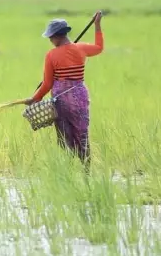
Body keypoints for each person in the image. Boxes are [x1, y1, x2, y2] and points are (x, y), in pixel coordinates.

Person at [23, 11, 104, 173]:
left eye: (51, 37)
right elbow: (99, 48)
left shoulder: (51, 55)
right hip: (80, 97)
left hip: (61, 101)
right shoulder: (81, 49)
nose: (50, 40)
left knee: (64, 136)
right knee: (82, 133)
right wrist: (97, 25)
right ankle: (86, 170)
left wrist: (35, 98)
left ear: (59, 36)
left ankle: (67, 170)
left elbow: (47, 84)